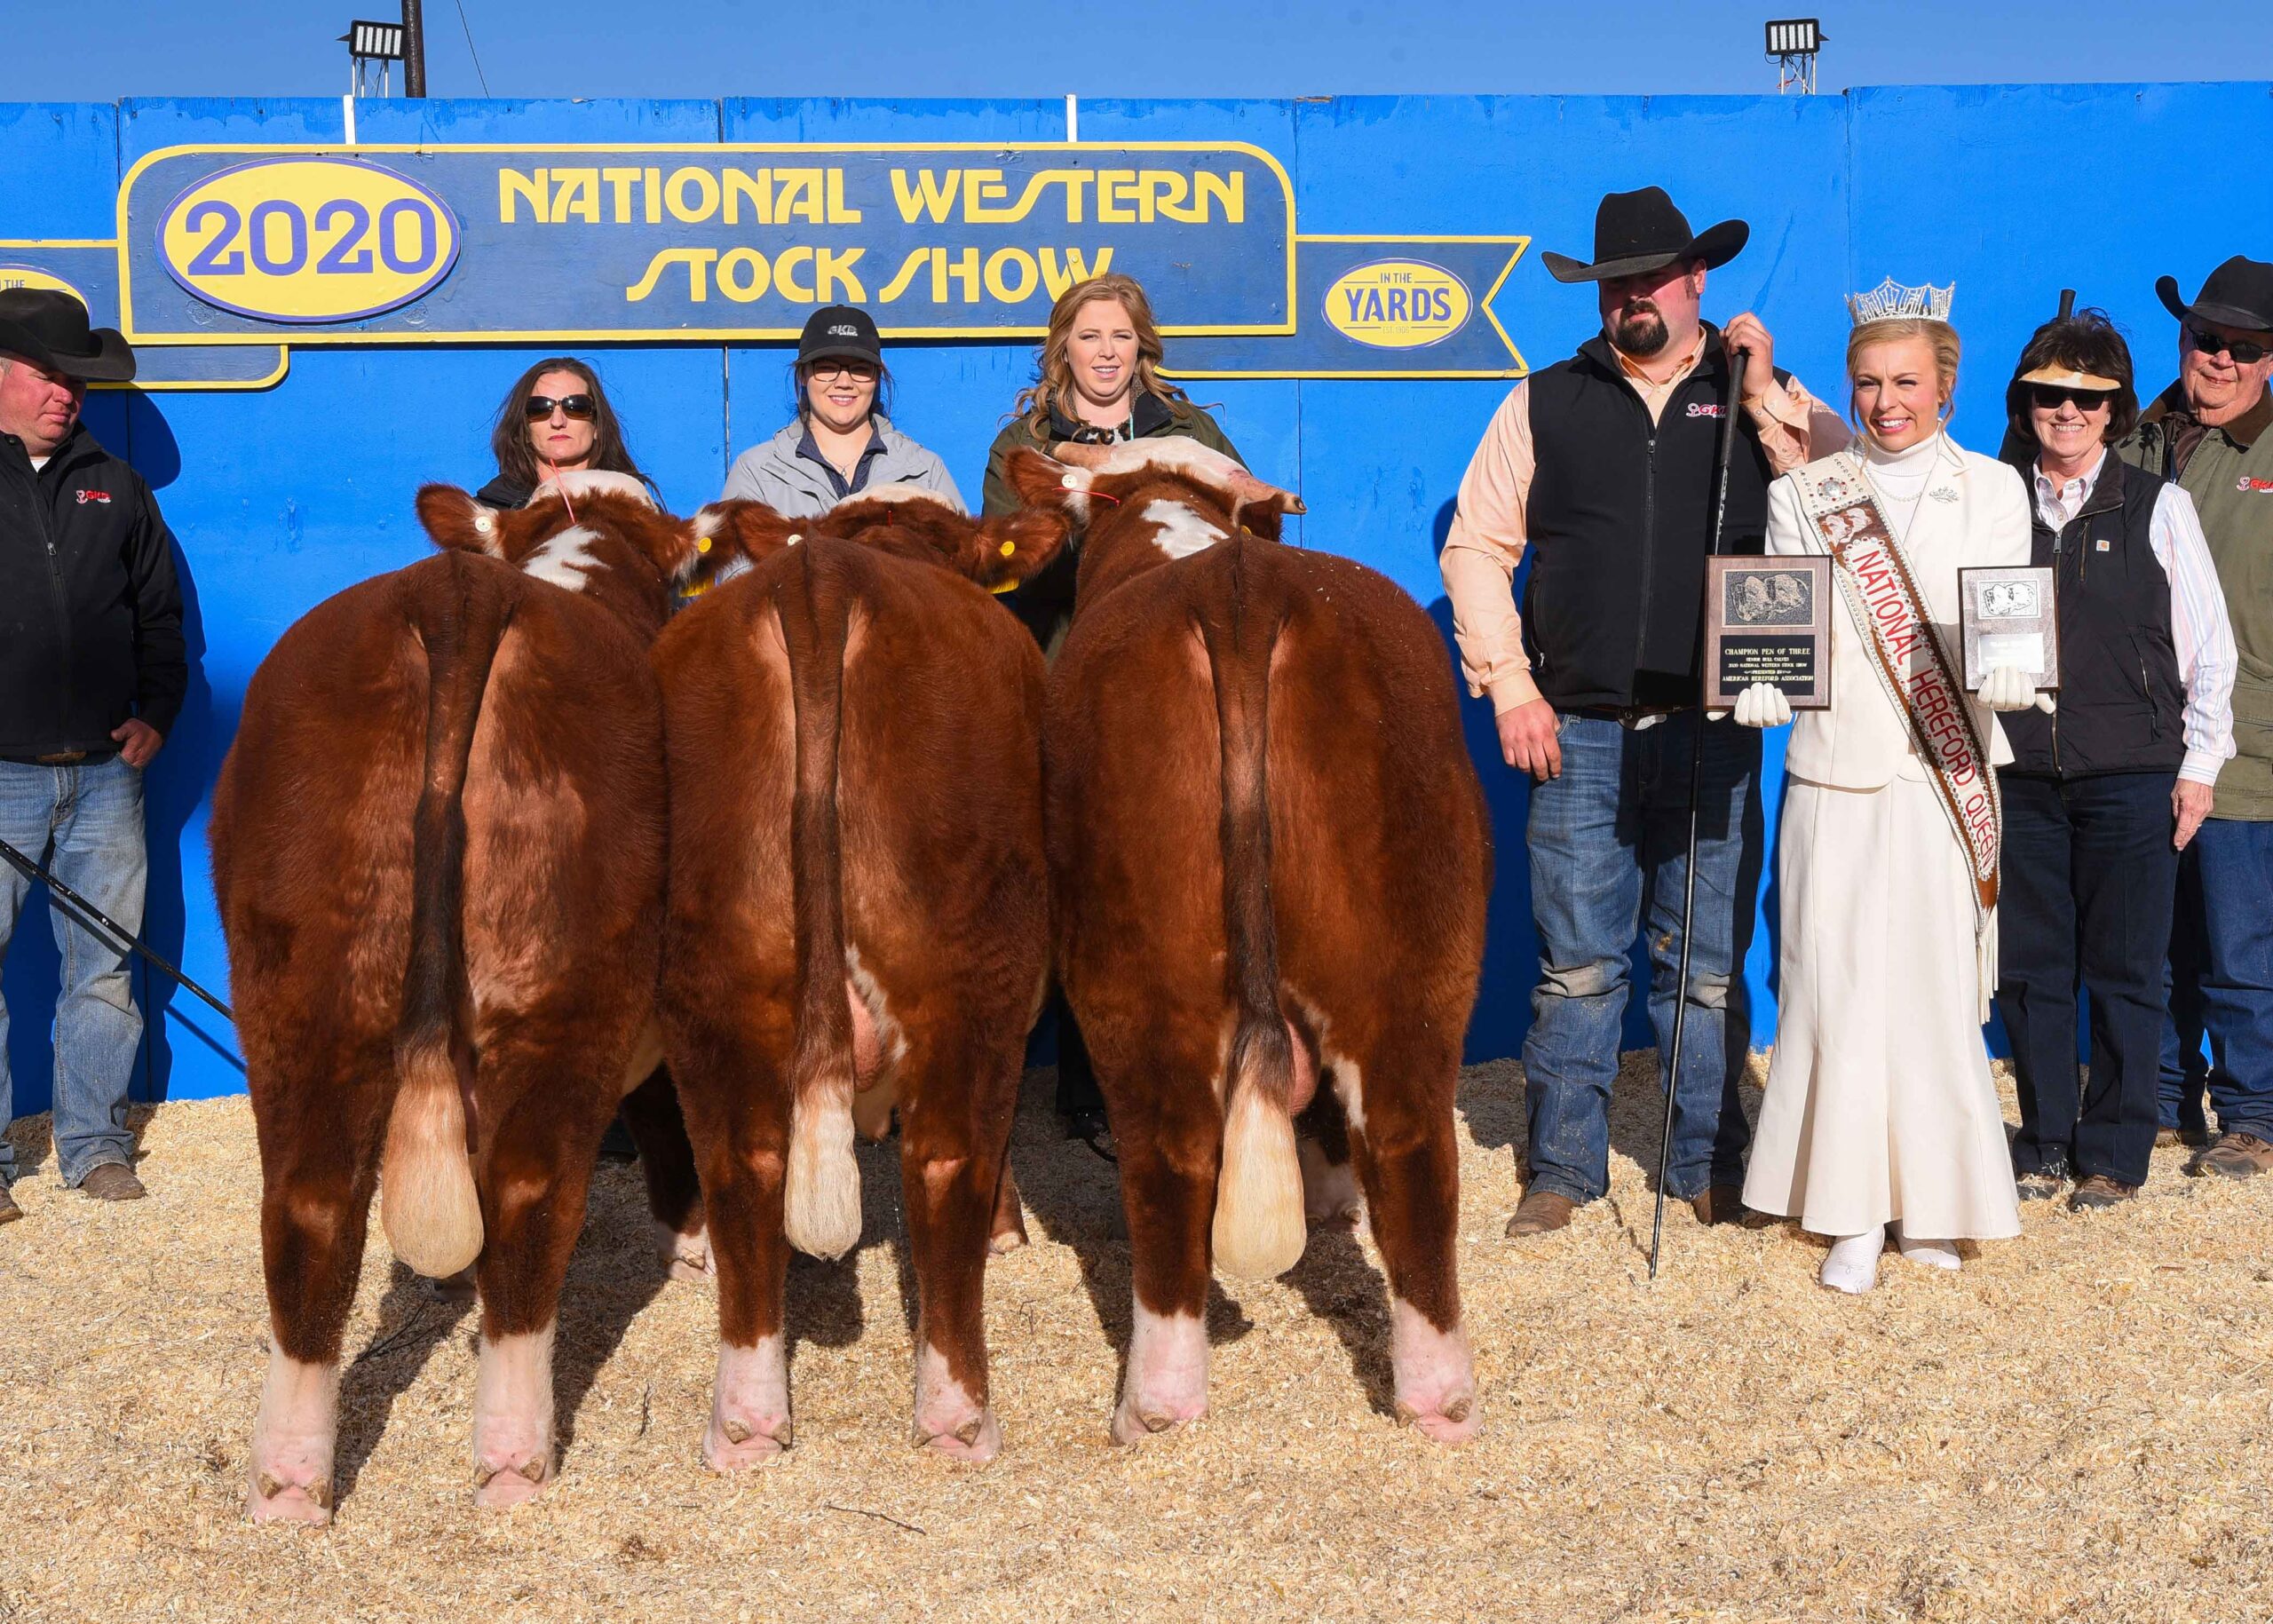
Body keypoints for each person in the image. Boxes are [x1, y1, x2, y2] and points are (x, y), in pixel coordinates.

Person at [1439, 186, 1843, 1239]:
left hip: (1718, 725)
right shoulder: (1545, 398)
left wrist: (1759, 392)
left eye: (1650, 281)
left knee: (1702, 971)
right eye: (1615, 285)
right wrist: (1511, 685)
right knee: (1578, 965)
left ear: (1696, 281)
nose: (1632, 300)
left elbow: (1843, 490)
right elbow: (1477, 545)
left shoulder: (1756, 389)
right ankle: (1564, 1168)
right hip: (1577, 725)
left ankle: (1703, 1160)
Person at [1738, 297, 2039, 1293]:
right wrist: (1764, 674)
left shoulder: (1994, 488)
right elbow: (1785, 609)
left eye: (1907, 381)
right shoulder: (1807, 491)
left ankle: (1935, 1204)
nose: (1886, 400)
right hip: (1836, 774)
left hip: (1944, 778)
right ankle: (1851, 1210)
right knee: (1837, 989)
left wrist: (2011, 673)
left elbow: (2002, 611)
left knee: (1938, 994)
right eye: (1869, 381)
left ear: (1945, 388)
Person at [980, 273, 1246, 1154]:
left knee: (1158, 885)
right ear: (1061, 347)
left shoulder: (1194, 434)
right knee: (1070, 883)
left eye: (1121, 336)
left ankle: (1140, 1078)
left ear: (1143, 347)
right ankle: (1059, 1091)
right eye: (1088, 336)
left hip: (1175, 698)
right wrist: (1089, 492)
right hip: (1062, 687)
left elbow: (1237, 533)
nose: (1105, 351)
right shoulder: (1020, 444)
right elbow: (1007, 568)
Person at [1995, 303, 2235, 1210]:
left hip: (2132, 771)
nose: (2067, 412)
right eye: (2050, 394)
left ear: (2115, 409)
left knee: (2128, 968)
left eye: (2087, 398)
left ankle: (2115, 1149)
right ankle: (2044, 1136)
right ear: (2024, 402)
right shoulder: (1991, 502)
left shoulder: (2157, 505)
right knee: (2029, 968)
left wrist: (2198, 765)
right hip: (2017, 772)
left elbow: (2209, 648)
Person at [0, 289, 186, 1220]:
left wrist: (157, 713)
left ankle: (96, 1144)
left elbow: (160, 616)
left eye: (77, 379)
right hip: (0, 775)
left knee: (105, 965)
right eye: (49, 374)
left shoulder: (117, 484)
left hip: (108, 778)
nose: (67, 393)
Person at [2119, 257, 2273, 1181]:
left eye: (2240, 346)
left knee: (2238, 934)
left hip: (2250, 737)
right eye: (2203, 338)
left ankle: (2252, 1111)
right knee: (2149, 935)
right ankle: (2165, 1094)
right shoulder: (2133, 438)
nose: (2216, 358)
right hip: (2137, 734)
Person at [723, 305, 963, 520]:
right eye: (827, 368)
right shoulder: (756, 472)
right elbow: (739, 570)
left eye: (860, 369)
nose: (844, 382)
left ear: (876, 378)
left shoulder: (925, 470)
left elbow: (961, 563)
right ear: (803, 376)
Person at [478, 355, 653, 511]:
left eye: (576, 407)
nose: (558, 422)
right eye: (539, 408)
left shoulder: (635, 508)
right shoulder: (489, 516)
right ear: (524, 429)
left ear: (598, 426)